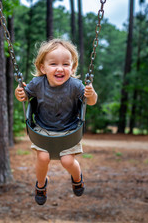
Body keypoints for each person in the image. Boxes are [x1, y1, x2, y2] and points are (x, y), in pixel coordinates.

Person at [15, 38, 97, 205]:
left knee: (67, 161)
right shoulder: (38, 83)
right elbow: (25, 95)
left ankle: (77, 177)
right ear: (42, 68)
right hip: (43, 129)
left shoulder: (75, 85)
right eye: (53, 64)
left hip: (69, 130)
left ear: (72, 68)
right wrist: (20, 94)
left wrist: (91, 93)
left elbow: (91, 101)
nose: (60, 68)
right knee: (43, 158)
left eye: (66, 64)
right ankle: (41, 184)